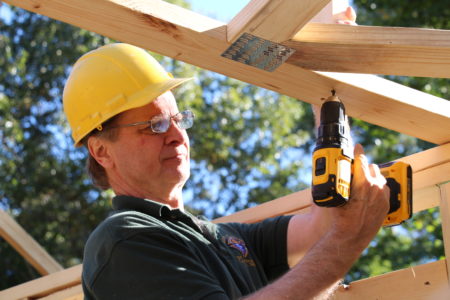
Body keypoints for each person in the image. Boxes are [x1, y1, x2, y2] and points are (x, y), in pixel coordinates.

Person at [63, 12, 389, 300]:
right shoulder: (124, 241)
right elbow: (337, 236)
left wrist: (327, 100)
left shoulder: (226, 239)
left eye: (178, 119)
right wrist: (346, 242)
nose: (177, 135)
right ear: (102, 151)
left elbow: (325, 226)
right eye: (154, 125)